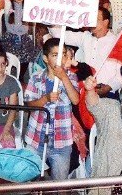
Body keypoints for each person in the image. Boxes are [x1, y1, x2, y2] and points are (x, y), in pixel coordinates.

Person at [24, 38, 81, 180]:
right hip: (36, 139)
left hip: (61, 142)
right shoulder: (35, 78)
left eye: (62, 54)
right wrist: (45, 99)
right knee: (30, 181)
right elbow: (28, 104)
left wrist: (63, 77)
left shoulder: (71, 77)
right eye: (55, 55)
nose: (59, 58)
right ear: (45, 58)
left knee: (60, 185)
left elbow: (75, 99)